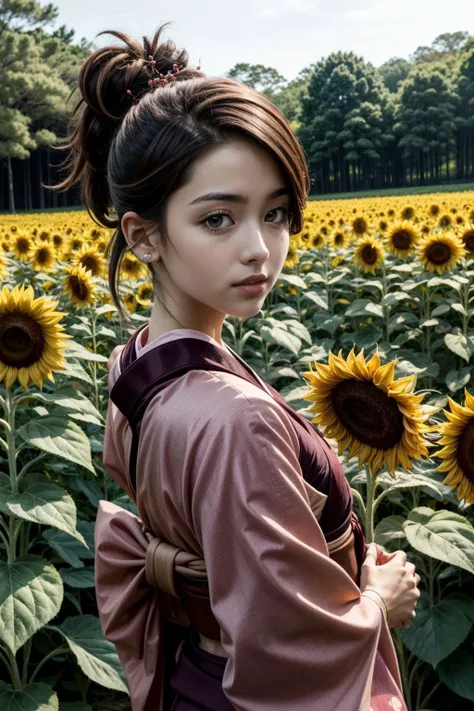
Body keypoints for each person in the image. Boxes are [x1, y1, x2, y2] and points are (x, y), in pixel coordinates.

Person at [52, 23, 420, 711]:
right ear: (145, 235)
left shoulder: (136, 364)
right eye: (219, 219)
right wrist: (376, 601)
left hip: (194, 678)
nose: (261, 249)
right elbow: (286, 655)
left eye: (276, 213)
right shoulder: (236, 419)